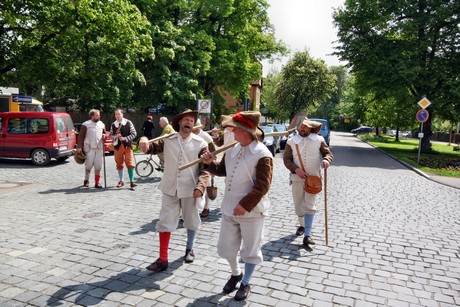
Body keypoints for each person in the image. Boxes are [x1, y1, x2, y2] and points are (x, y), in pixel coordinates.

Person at [201, 111, 273, 301]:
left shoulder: (263, 154)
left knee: (250, 249)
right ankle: (236, 273)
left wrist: (245, 205)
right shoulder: (232, 149)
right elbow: (223, 170)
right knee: (225, 247)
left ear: (244, 131)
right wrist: (210, 163)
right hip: (229, 207)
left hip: (252, 211)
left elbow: (263, 186)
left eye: (234, 129)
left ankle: (246, 282)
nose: (231, 132)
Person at [138, 109, 210, 272]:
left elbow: (205, 169)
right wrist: (143, 139)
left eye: (192, 121)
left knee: (191, 220)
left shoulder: (201, 143)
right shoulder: (168, 140)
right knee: (165, 221)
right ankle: (163, 259)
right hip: (170, 187)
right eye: (186, 120)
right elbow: (148, 148)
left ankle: (189, 248)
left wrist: (200, 187)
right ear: (179, 122)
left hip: (190, 189)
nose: (188, 123)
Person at [282, 117, 333, 247]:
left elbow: (328, 154)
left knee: (310, 206)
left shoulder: (319, 140)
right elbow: (287, 159)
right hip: (297, 178)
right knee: (299, 206)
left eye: (305, 126)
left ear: (310, 128)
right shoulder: (291, 141)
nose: (302, 129)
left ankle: (307, 235)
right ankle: (302, 225)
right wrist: (295, 169)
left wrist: (327, 160)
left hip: (314, 179)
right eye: (301, 126)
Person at [76, 109, 106, 188]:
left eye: (99, 115)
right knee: (88, 165)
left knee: (98, 166)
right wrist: (79, 147)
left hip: (99, 148)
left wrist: (104, 135)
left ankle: (97, 182)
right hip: (89, 147)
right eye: (97, 115)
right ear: (92, 116)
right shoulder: (86, 124)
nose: (99, 116)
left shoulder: (102, 124)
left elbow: (105, 133)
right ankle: (86, 180)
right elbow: (81, 136)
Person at [192, 119, 216, 218]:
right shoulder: (190, 136)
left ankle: (206, 208)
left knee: (206, 187)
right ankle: (192, 209)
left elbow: (213, 152)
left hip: (206, 166)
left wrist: (212, 166)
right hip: (194, 166)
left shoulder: (205, 137)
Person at [110, 108, 137, 189]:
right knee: (119, 163)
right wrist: (115, 137)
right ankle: (121, 181)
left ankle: (132, 181)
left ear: (122, 114)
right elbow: (111, 136)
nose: (117, 116)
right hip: (118, 147)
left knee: (130, 162)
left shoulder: (128, 122)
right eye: (116, 114)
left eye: (119, 114)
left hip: (128, 146)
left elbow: (134, 133)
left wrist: (125, 138)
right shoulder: (113, 124)